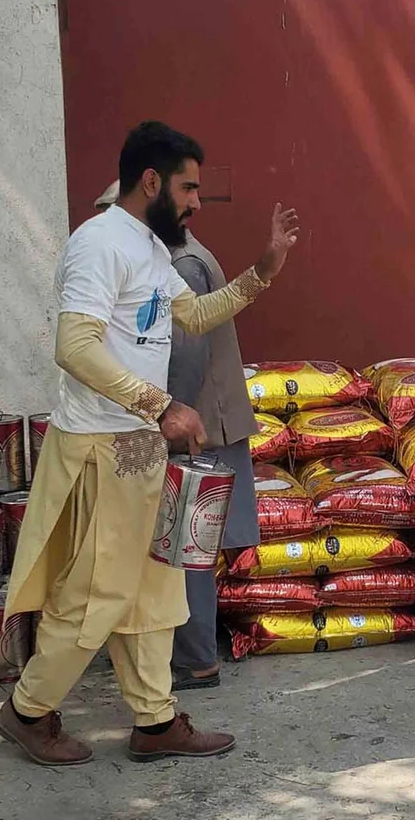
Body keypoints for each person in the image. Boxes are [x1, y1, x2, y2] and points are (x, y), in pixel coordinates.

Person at [0, 121, 301, 766]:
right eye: (189, 188)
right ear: (152, 181)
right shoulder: (99, 244)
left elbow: (190, 315)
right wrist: (161, 406)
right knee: (97, 594)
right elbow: (73, 347)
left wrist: (262, 273)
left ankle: (156, 721)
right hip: (104, 447)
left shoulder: (153, 250)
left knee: (156, 586)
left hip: (138, 447)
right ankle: (27, 709)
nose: (195, 202)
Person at [95, 181, 285, 691]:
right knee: (186, 543)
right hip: (200, 417)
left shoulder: (181, 267)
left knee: (185, 546)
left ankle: (196, 657)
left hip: (199, 422)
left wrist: (168, 418)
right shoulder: (175, 261)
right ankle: (189, 648)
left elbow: (186, 354)